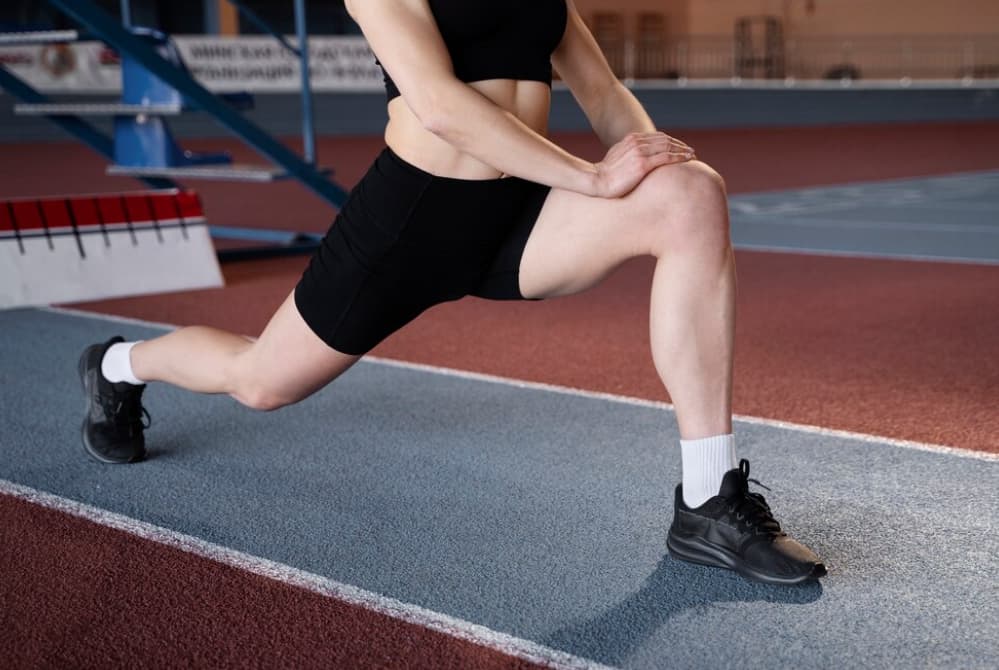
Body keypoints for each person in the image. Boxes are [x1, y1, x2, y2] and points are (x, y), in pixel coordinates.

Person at [78, 0, 825, 585]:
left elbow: (603, 92)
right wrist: (596, 178)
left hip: (519, 214)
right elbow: (436, 103)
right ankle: (117, 367)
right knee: (261, 383)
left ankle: (707, 503)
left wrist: (651, 160)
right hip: (411, 222)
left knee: (690, 196)